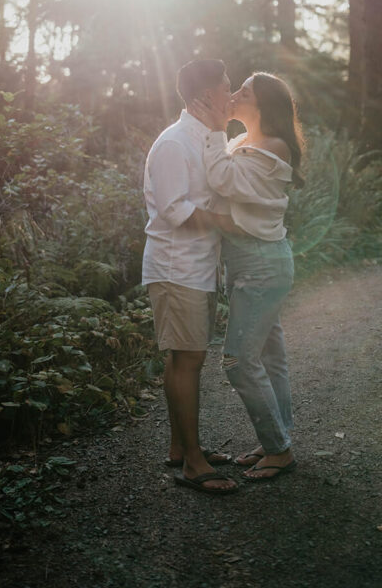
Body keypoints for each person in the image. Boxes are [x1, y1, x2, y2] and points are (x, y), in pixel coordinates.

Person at [193, 71, 304, 482]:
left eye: (244, 92)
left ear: (263, 106)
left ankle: (280, 450)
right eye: (235, 88)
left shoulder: (272, 146)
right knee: (270, 356)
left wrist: (215, 128)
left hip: (263, 266)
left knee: (238, 361)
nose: (234, 95)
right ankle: (278, 438)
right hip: (251, 264)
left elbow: (221, 178)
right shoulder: (245, 143)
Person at [142, 59, 239, 495]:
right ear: (204, 98)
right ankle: (194, 465)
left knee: (181, 357)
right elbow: (174, 209)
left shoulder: (204, 138)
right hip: (175, 267)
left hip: (196, 267)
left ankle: (180, 448)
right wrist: (226, 222)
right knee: (189, 358)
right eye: (226, 88)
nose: (232, 96)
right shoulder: (174, 143)